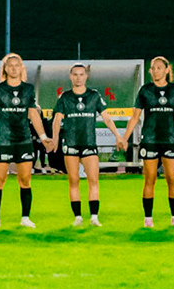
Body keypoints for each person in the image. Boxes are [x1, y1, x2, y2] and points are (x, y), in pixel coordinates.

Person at [50, 64, 128, 227]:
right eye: (75, 75)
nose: (78, 77)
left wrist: (118, 136)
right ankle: (77, 217)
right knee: (73, 180)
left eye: (81, 74)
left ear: (86, 77)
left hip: (89, 144)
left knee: (93, 179)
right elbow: (57, 120)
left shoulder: (94, 96)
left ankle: (94, 217)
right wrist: (55, 139)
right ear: (71, 77)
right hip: (71, 144)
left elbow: (106, 118)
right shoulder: (65, 97)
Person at [123, 57, 174, 228]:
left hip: (169, 140)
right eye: (153, 68)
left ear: (167, 70)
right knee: (150, 179)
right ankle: (148, 218)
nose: (155, 71)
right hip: (150, 139)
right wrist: (125, 138)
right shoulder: (145, 91)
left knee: (172, 179)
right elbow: (135, 116)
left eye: (159, 67)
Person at [0, 54, 46, 228]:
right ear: (5, 69)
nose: (13, 68)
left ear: (21, 68)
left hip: (23, 140)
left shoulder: (28, 89)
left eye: (16, 65)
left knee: (25, 179)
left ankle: (25, 218)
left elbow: (33, 114)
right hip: (3, 139)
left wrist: (43, 137)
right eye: (10, 65)